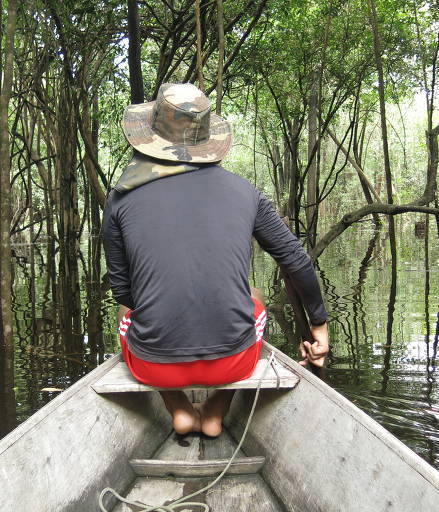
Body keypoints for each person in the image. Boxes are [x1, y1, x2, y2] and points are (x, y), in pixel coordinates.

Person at [102, 83, 329, 437]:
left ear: (151, 137)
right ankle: (215, 411)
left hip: (154, 367)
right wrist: (319, 326)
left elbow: (123, 291)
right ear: (208, 142)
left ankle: (178, 408)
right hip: (233, 364)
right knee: (255, 295)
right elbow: (295, 260)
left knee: (125, 313)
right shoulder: (246, 192)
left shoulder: (120, 199)